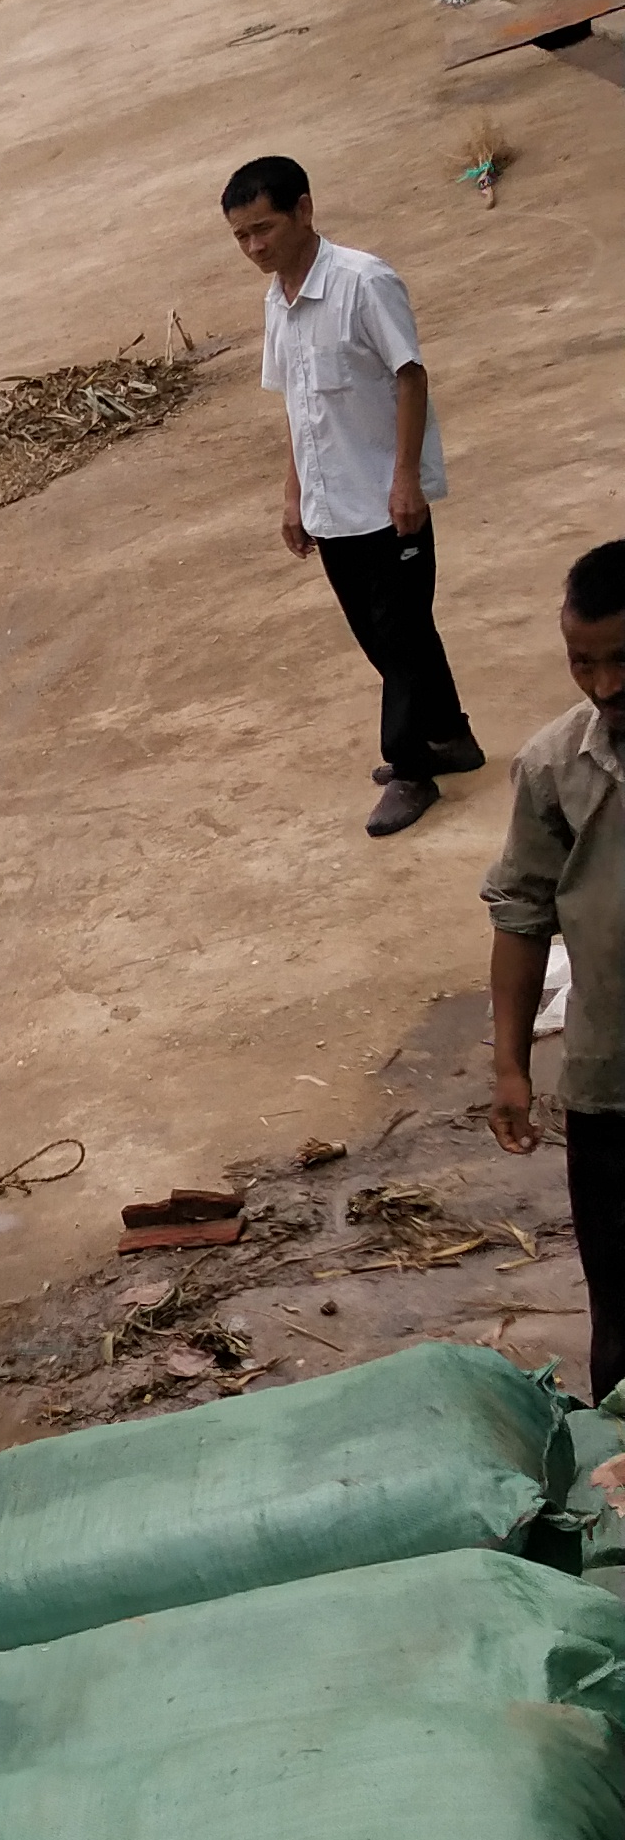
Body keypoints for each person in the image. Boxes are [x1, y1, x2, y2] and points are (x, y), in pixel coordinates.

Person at [223, 154, 479, 838]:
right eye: (242, 237)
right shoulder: (277, 302)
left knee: (397, 639)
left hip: (386, 501)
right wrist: (292, 496)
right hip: (332, 507)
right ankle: (450, 735)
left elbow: (410, 377)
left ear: (304, 211)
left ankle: (411, 767)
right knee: (386, 634)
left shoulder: (364, 283)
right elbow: (297, 408)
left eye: (265, 229)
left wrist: (405, 479)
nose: (255, 248)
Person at [487, 539, 624, 1406]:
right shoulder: (554, 766)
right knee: (620, 1302)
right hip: (611, 1088)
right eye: (584, 662)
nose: (605, 686)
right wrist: (510, 1063)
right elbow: (522, 914)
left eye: (624, 660)